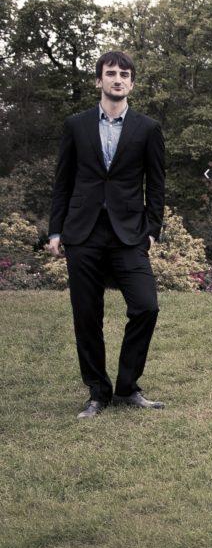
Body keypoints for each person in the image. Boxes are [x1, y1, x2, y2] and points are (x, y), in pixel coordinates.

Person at [48, 50, 166, 420]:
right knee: (87, 315)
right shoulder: (76, 125)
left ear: (132, 83)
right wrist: (55, 230)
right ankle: (97, 392)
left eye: (124, 74)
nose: (118, 79)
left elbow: (156, 184)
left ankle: (127, 387)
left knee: (146, 306)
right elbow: (63, 181)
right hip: (82, 232)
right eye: (111, 73)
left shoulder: (148, 129)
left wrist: (152, 231)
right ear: (99, 80)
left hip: (128, 233)